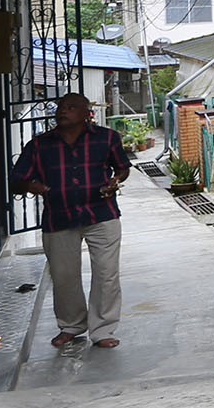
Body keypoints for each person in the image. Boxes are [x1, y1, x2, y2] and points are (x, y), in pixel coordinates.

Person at [10, 92, 132, 349]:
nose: (63, 111)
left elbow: (122, 167)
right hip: (59, 216)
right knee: (64, 275)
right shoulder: (39, 145)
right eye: (61, 107)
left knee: (107, 274)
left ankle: (103, 329)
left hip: (102, 214)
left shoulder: (107, 138)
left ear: (86, 113)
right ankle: (71, 326)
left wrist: (115, 181)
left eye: (71, 107)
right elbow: (17, 179)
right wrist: (37, 188)